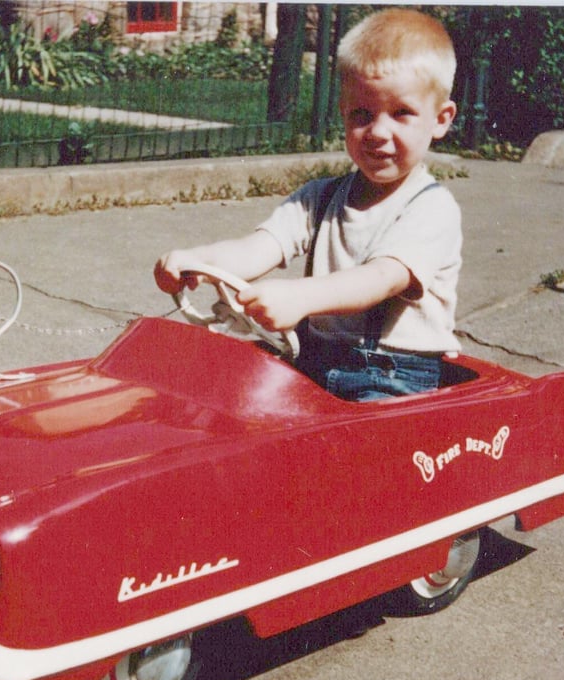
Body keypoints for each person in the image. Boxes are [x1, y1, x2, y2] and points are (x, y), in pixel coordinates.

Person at [154, 8, 461, 401]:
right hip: (313, 357)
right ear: (343, 112)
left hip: (393, 379)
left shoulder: (431, 209)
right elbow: (258, 247)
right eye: (362, 115)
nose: (378, 132)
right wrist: (197, 262)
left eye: (401, 113)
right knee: (216, 392)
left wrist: (300, 297)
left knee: (353, 437)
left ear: (440, 119)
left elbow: (382, 278)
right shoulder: (321, 197)